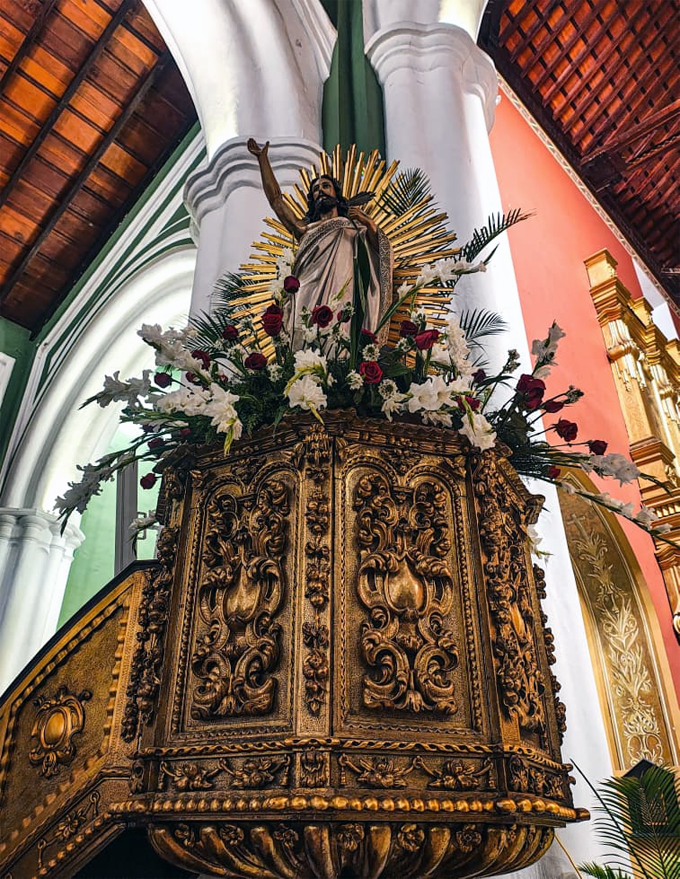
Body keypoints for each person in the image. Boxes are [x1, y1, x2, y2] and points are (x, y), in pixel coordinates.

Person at [247, 138, 392, 343]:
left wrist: (369, 224)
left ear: (336, 195)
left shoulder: (353, 228)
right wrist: (263, 160)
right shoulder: (305, 229)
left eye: (326, 186)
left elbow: (380, 255)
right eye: (316, 189)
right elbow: (276, 200)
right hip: (307, 290)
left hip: (343, 291)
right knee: (303, 338)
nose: (320, 191)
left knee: (338, 339)